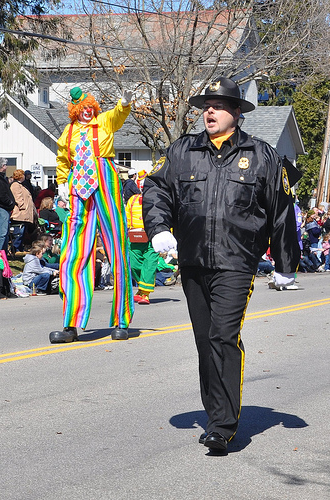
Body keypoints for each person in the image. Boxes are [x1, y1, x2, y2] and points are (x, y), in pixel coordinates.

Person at [142, 77, 300, 452]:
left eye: (217, 105)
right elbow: (156, 188)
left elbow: (281, 210)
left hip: (236, 262)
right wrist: (159, 228)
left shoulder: (262, 155)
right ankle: (215, 413)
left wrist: (285, 263)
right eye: (205, 106)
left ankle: (223, 426)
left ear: (236, 113)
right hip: (194, 262)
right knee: (204, 341)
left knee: (222, 337)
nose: (208, 111)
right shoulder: (182, 150)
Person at [49, 86, 134, 343]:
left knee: (117, 247)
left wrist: (125, 101)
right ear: (75, 112)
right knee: (72, 252)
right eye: (81, 109)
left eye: (89, 108)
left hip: (106, 180)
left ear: (93, 108)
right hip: (78, 186)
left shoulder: (104, 121)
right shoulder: (68, 131)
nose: (86, 112)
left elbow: (119, 114)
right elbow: (63, 159)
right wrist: (62, 182)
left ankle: (121, 320)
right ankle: (71, 324)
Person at [125, 192, 158, 304]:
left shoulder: (156, 198)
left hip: (152, 237)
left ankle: (145, 294)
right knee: (134, 265)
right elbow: (127, 217)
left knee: (149, 265)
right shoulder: (132, 200)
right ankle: (141, 290)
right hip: (135, 238)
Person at [10, 169, 38, 252]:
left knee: (22, 233)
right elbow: (17, 197)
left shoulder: (22, 185)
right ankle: (15, 249)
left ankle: (19, 249)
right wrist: (23, 206)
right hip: (20, 213)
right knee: (18, 232)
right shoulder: (15, 185)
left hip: (24, 214)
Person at [0, 157, 16, 252]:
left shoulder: (2, 178)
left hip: (4, 208)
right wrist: (10, 203)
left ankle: (2, 254)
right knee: (2, 232)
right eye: (5, 165)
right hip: (1, 208)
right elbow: (0, 194)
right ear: (1, 166)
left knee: (4, 232)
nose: (7, 167)